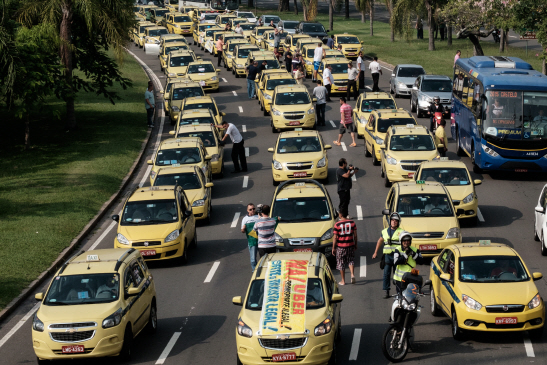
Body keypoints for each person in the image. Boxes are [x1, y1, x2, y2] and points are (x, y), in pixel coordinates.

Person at [372, 212, 404, 298]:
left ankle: (399, 291)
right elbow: (380, 241)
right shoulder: (384, 231)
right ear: (390, 221)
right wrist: (375, 252)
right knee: (386, 274)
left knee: (397, 275)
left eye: (395, 221)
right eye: (392, 220)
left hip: (397, 256)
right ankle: (386, 291)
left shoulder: (401, 232)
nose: (393, 222)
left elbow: (405, 243)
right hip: (388, 257)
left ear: (398, 222)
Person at [332, 210, 357, 285]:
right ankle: (352, 274)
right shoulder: (352, 223)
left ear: (341, 215)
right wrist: (355, 244)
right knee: (350, 260)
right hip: (350, 245)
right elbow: (355, 235)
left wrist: (333, 248)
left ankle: (343, 281)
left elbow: (335, 237)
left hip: (341, 247)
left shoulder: (337, 224)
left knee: (341, 263)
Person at [241, 203, 260, 271]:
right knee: (253, 259)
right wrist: (243, 228)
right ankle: (254, 271)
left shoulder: (258, 216)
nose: (252, 210)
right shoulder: (245, 219)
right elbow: (242, 231)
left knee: (263, 257)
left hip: (261, 240)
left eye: (253, 209)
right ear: (247, 210)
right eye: (250, 209)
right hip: (252, 241)